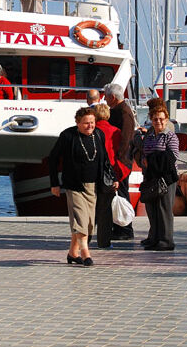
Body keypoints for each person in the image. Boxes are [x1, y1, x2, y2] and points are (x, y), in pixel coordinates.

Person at [49, 107, 116, 266]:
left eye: (92, 122)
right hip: (74, 185)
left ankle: (73, 253)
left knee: (89, 222)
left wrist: (113, 177)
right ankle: (85, 253)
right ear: (78, 123)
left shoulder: (99, 135)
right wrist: (54, 183)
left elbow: (105, 159)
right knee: (80, 220)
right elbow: (53, 158)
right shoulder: (68, 136)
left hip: (93, 185)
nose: (90, 126)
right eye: (86, 123)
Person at [139, 103, 178, 251]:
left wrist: (151, 160)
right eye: (155, 119)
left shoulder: (170, 136)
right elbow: (144, 152)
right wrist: (145, 159)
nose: (158, 122)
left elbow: (172, 157)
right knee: (152, 208)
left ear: (166, 119)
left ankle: (166, 240)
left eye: (161, 119)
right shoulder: (149, 136)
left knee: (164, 209)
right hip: (151, 178)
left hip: (166, 178)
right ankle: (154, 238)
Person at [104, 83, 136, 240]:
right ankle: (119, 227)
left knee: (121, 194)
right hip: (120, 161)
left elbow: (125, 141)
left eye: (105, 96)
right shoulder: (119, 111)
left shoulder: (123, 113)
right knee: (118, 194)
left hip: (121, 163)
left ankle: (125, 229)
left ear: (112, 97)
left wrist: (118, 163)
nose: (104, 98)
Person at [93, 103, 126, 249]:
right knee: (105, 210)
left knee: (90, 209)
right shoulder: (116, 132)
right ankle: (104, 242)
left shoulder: (92, 131)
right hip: (109, 175)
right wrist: (118, 176)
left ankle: (84, 240)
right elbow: (119, 154)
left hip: (92, 173)